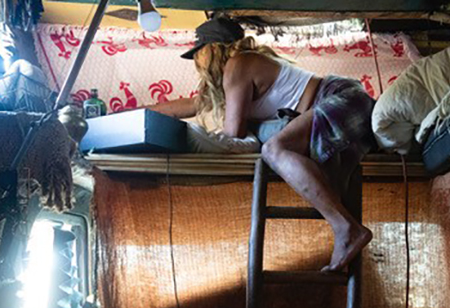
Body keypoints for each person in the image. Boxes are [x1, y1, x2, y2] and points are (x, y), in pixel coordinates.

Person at [148, 17, 375, 272]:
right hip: (338, 105)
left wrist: (220, 133)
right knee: (302, 164)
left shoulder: (239, 64)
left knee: (274, 149)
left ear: (210, 51)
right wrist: (138, 114)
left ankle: (346, 228)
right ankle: (345, 229)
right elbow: (190, 104)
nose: (197, 65)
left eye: (198, 55)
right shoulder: (234, 76)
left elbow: (234, 132)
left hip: (340, 97)